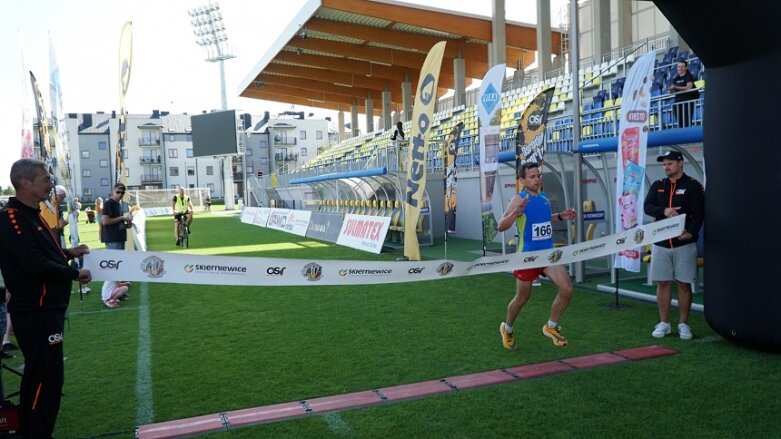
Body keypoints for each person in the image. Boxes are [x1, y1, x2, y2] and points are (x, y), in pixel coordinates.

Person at [0, 158, 91, 438]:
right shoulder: (11, 218)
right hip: (36, 312)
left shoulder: (33, 213)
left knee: (44, 376)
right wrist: (73, 273)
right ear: (25, 183)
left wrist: (68, 253)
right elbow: (33, 263)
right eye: (45, 178)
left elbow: (44, 254)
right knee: (45, 377)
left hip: (48, 309)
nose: (50, 182)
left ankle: (34, 431)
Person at [496, 162, 577, 349]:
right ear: (522, 180)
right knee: (522, 298)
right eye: (532, 177)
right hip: (527, 257)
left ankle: (551, 327)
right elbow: (501, 226)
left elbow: (542, 220)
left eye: (538, 176)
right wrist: (516, 213)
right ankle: (507, 328)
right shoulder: (518, 199)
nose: (537, 179)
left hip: (547, 255)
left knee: (567, 289)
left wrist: (560, 216)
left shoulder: (544, 199)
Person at [644, 150, 705, 340]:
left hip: (684, 244)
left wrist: (691, 233)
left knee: (684, 284)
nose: (666, 167)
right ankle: (664, 323)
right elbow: (648, 207)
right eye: (664, 164)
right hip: (661, 244)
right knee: (663, 283)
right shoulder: (658, 185)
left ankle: (683, 324)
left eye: (669, 163)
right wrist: (664, 210)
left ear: (680, 164)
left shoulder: (693, 186)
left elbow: (700, 213)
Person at [102, 183, 133, 250]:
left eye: (122, 193)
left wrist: (129, 222)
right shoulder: (109, 203)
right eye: (118, 192)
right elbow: (105, 221)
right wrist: (122, 218)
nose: (120, 194)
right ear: (113, 191)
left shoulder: (119, 204)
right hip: (113, 240)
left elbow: (122, 223)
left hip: (120, 238)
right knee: (115, 260)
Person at [668, 60, 699, 128]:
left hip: (687, 102)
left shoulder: (689, 76)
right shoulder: (676, 78)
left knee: (687, 122)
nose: (680, 68)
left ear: (686, 68)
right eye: (679, 67)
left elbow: (689, 87)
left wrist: (676, 87)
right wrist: (671, 90)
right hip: (677, 103)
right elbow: (673, 91)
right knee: (680, 123)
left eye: (682, 67)